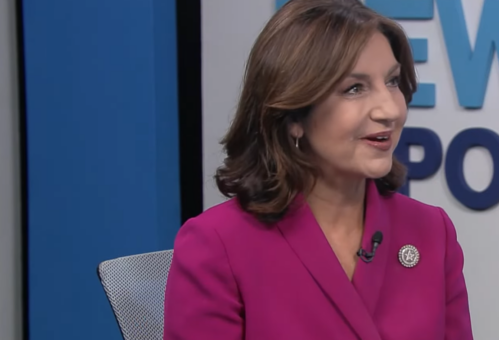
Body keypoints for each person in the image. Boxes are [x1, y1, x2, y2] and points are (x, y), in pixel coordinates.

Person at [163, 0, 473, 339]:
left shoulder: (431, 231)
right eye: (355, 88)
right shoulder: (217, 245)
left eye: (393, 81)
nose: (389, 110)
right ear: (294, 116)